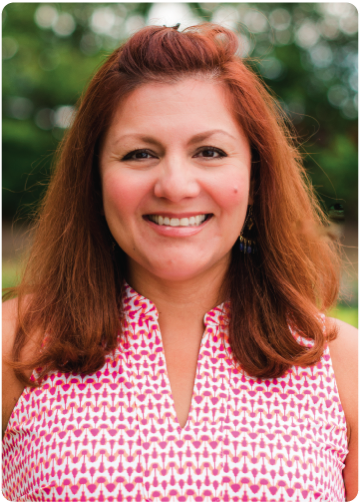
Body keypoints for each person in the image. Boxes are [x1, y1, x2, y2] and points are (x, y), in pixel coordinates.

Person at [1, 22, 358, 502]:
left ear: (256, 176)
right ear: (95, 178)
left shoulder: (344, 366)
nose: (174, 185)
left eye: (209, 152)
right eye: (139, 153)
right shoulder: (13, 348)